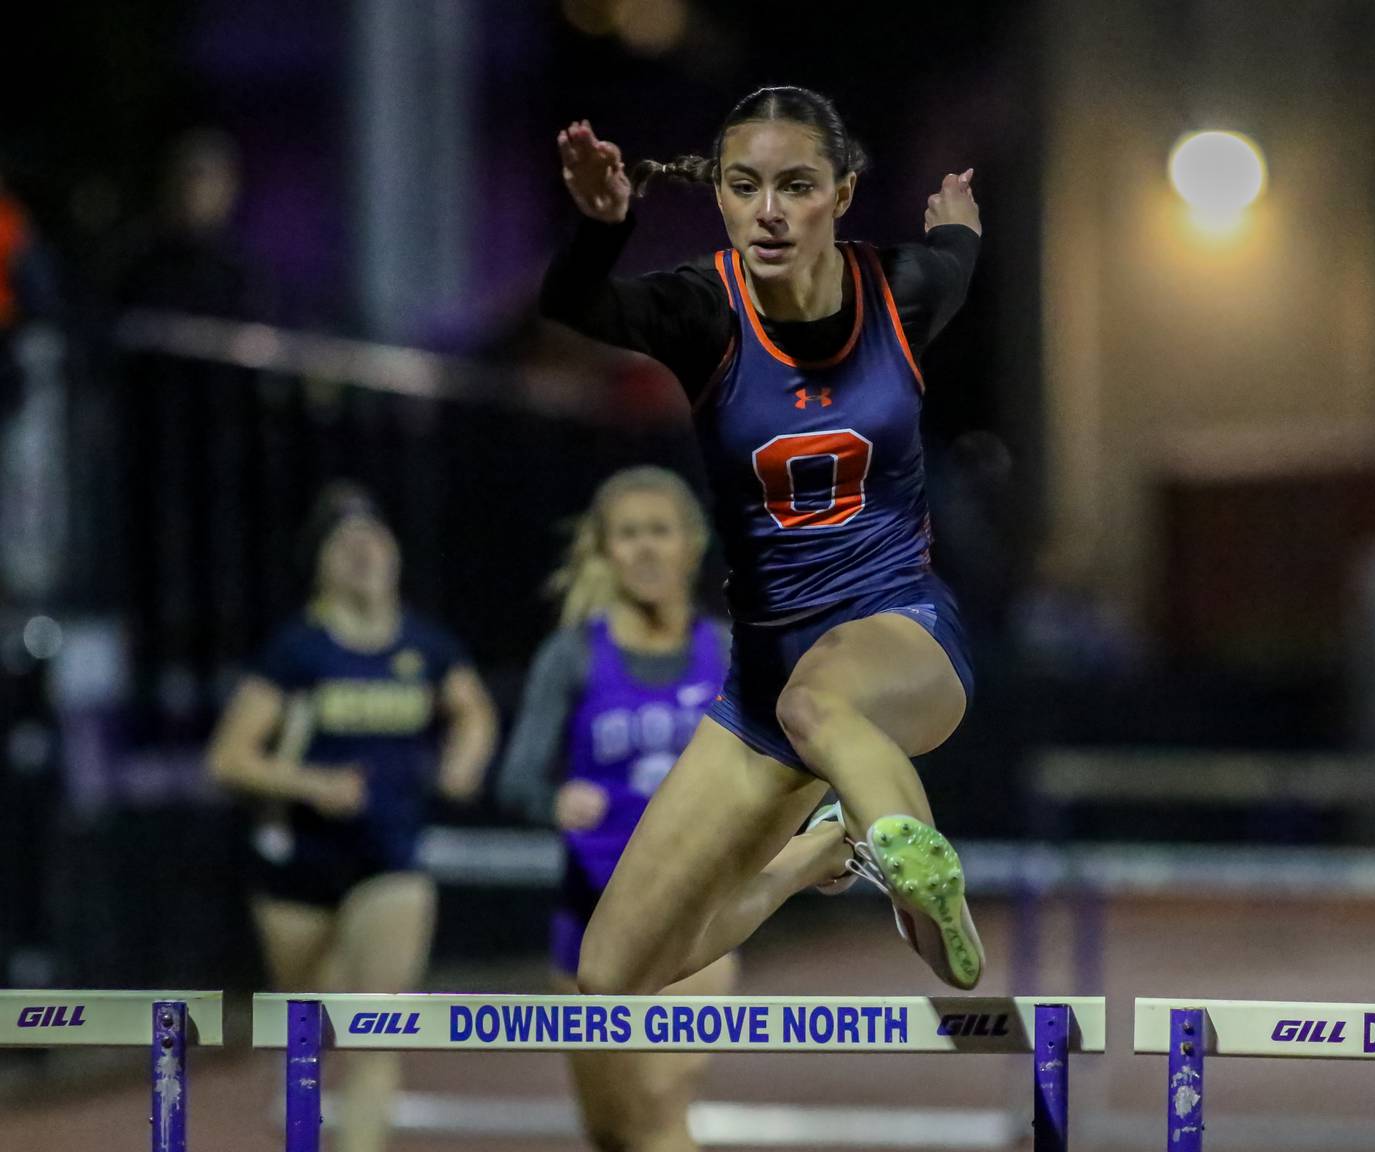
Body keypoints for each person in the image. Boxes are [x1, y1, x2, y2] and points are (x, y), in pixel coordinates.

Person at [539, 86, 986, 993]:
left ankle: (923, 877)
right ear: (719, 196)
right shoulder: (706, 310)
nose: (770, 213)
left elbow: (956, 261)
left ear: (844, 193)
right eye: (745, 187)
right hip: (761, 687)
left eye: (796, 186)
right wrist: (600, 224)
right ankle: (823, 852)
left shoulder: (903, 289)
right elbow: (576, 303)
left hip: (900, 633)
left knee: (821, 704)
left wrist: (960, 228)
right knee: (610, 974)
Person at [497, 465, 847, 1152]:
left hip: (696, 918)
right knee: (612, 1130)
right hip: (588, 925)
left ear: (691, 544)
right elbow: (514, 779)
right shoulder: (570, 658)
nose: (647, 549)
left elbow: (789, 760)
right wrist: (552, 798)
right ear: (603, 551)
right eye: (628, 535)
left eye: (660, 531)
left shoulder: (728, 656)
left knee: (660, 1109)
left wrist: (813, 834)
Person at [207, 483, 497, 1152]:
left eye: (374, 542)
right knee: (306, 1023)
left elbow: (473, 710)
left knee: (375, 1032)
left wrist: (464, 762)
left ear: (394, 555)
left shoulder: (425, 646)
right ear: (322, 565)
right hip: (298, 863)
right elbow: (228, 758)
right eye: (346, 546)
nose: (363, 555)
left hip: (390, 857)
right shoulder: (297, 651)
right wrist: (311, 782)